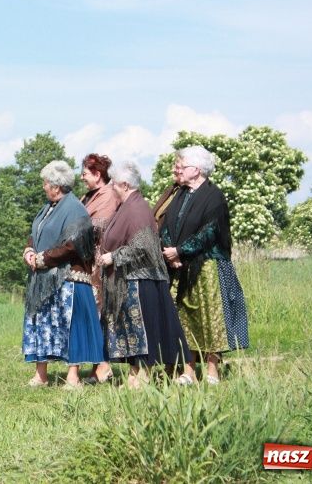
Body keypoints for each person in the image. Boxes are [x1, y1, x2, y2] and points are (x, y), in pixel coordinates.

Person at [95, 161, 195, 389]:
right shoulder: (127, 207)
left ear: (125, 184)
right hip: (130, 279)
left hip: (141, 280)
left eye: (114, 184)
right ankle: (135, 374)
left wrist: (114, 256)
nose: (112, 188)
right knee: (133, 332)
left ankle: (142, 377)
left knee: (143, 333)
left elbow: (144, 246)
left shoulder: (137, 209)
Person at [160, 146, 249, 384]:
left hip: (209, 264)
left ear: (196, 170)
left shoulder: (214, 196)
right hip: (181, 265)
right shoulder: (180, 194)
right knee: (185, 318)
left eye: (182, 166)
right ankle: (188, 371)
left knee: (211, 318)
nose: (178, 169)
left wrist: (180, 250)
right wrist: (171, 252)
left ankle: (212, 371)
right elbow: (166, 225)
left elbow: (209, 232)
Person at [22, 161, 106, 388]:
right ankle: (41, 375)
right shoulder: (47, 207)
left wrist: (43, 259)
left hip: (68, 278)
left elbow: (73, 245)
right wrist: (29, 250)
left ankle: (73, 377)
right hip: (44, 278)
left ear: (57, 187)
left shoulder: (75, 210)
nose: (43, 187)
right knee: (42, 324)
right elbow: (36, 232)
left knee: (70, 326)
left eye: (46, 183)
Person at [78, 153, 121, 384]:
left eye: (85, 173)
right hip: (87, 263)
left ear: (97, 174)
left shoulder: (108, 195)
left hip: (101, 265)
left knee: (100, 314)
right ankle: (98, 365)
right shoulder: (87, 195)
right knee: (92, 314)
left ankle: (103, 366)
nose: (82, 177)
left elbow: (98, 227)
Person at [152, 157, 182, 225]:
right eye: (174, 166)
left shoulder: (189, 194)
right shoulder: (170, 189)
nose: (172, 170)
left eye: (177, 167)